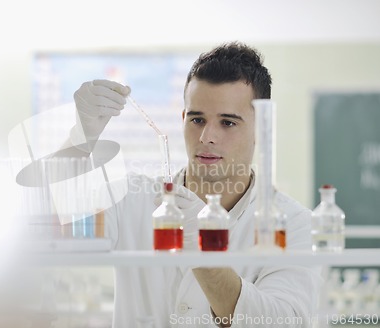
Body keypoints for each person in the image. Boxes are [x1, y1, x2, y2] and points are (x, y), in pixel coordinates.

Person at [63, 42, 323, 327]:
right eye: (197, 119)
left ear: (261, 129)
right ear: (183, 120)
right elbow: (58, 230)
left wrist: (204, 256)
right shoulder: (132, 198)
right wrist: (79, 141)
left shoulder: (296, 224)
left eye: (228, 123)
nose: (207, 137)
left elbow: (284, 322)